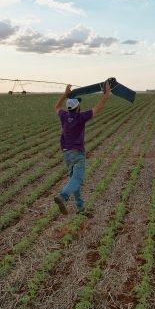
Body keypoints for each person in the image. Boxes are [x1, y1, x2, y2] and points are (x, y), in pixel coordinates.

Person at [53, 80, 111, 214]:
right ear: (78, 107)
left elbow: (56, 106)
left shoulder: (64, 116)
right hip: (77, 154)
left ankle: (80, 208)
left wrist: (64, 94)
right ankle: (63, 196)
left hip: (67, 154)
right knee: (77, 178)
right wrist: (107, 94)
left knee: (74, 179)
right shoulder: (80, 117)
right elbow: (99, 107)